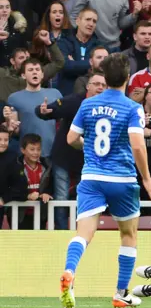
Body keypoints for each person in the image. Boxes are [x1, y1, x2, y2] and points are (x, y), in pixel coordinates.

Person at [60, 53, 151, 308]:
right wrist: (147, 178)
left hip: (92, 177)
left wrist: (89, 148)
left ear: (104, 78)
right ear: (127, 78)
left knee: (83, 234)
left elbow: (71, 139)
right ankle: (120, 293)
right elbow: (138, 145)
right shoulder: (132, 107)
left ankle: (69, 272)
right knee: (128, 234)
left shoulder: (88, 104)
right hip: (122, 179)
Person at [36, 71, 106, 230]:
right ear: (88, 86)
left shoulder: (109, 106)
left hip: (89, 160)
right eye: (96, 84)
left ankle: (83, 232)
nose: (100, 88)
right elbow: (49, 110)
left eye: (103, 85)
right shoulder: (74, 101)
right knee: (61, 197)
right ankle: (62, 231)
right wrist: (43, 111)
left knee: (86, 197)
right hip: (64, 157)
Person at [7, 58, 63, 158]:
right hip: (28, 154)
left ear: (42, 74)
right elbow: (15, 129)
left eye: (37, 70)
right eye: (30, 70)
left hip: (54, 152)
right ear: (23, 75)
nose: (34, 72)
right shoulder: (14, 98)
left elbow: (64, 121)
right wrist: (11, 125)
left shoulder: (55, 93)